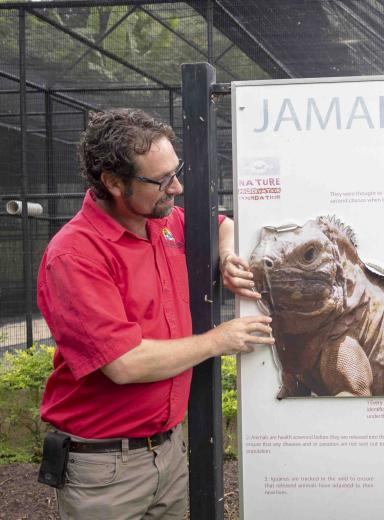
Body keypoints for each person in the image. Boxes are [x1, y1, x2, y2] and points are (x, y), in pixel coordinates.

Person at [37, 108, 271, 519]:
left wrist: (228, 256)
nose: (177, 187)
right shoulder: (76, 254)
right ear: (113, 182)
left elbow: (221, 224)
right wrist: (220, 339)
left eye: (175, 172)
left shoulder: (161, 223)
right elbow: (123, 364)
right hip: (105, 470)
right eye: (161, 180)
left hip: (168, 451)